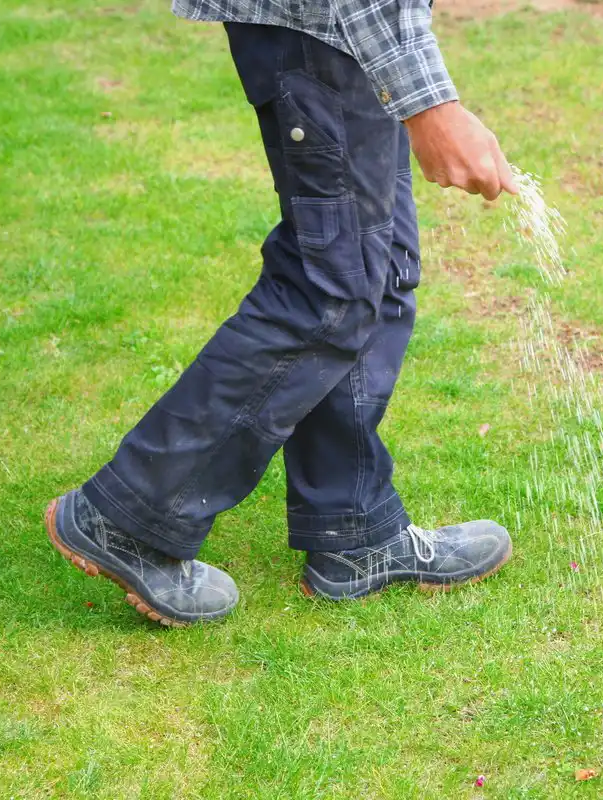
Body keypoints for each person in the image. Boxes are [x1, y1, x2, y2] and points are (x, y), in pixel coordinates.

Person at [44, 0, 519, 625]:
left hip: (346, 35)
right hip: (324, 29)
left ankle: (354, 532)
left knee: (377, 271)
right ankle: (130, 514)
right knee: (331, 291)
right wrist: (431, 104)